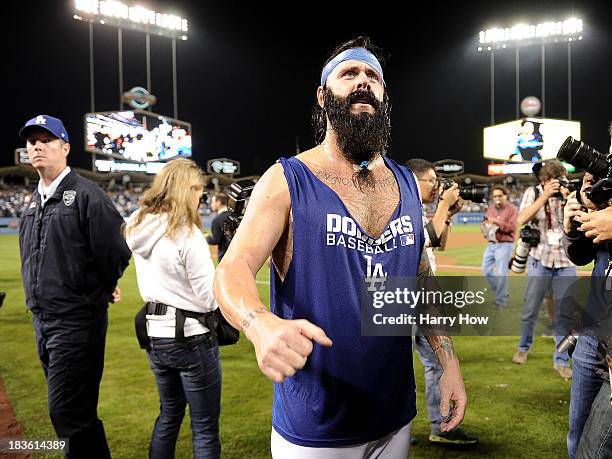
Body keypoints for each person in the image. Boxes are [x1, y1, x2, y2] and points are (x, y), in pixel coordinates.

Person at [214, 37, 467, 458]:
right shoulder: (287, 180)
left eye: (373, 76)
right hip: (316, 426)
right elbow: (232, 268)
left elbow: (420, 280)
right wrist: (258, 323)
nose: (362, 82)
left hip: (394, 416)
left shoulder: (407, 182)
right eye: (349, 73)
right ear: (322, 95)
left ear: (385, 96)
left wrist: (449, 361)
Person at [18, 114, 131, 458]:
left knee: (66, 412)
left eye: (46, 139)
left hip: (75, 322)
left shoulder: (87, 196)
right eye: (31, 141)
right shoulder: (33, 201)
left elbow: (116, 251)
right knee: (75, 415)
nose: (37, 146)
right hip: (43, 321)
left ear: (65, 148)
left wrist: (99, 290)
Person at [125, 158, 221, 459]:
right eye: (198, 190)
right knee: (204, 428)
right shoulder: (187, 234)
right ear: (186, 189)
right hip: (191, 337)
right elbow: (209, 299)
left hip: (154, 333)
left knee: (169, 414)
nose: (200, 198)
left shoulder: (138, 223)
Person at [406, 158, 479, 446]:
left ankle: (440, 426)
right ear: (415, 180)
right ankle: (396, 428)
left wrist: (447, 214)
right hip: (400, 296)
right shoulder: (398, 203)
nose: (436, 187)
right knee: (395, 366)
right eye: (431, 182)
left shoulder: (418, 207)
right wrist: (443, 206)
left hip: (422, 296)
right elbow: (428, 236)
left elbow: (439, 242)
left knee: (437, 364)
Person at [512, 159, 576, 380]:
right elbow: (520, 219)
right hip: (540, 259)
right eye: (552, 181)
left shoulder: (569, 192)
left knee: (565, 314)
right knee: (530, 309)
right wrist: (545, 196)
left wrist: (568, 197)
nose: (556, 184)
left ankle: (561, 359)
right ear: (544, 180)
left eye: (559, 180)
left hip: (566, 262)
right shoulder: (533, 192)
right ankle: (523, 346)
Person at [481, 185, 518, 308]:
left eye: (500, 196)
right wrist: (484, 228)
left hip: (505, 244)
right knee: (486, 270)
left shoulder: (512, 209)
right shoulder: (491, 208)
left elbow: (512, 228)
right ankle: (501, 293)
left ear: (505, 196)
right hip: (492, 244)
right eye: (495, 196)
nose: (497, 198)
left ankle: (501, 301)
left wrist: (496, 222)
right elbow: (485, 222)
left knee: (502, 273)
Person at [206, 192, 231, 262]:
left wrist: (207, 237)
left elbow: (216, 240)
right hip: (239, 256)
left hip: (224, 257)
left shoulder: (217, 220)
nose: (211, 205)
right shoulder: (234, 217)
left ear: (218, 202)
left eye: (213, 202)